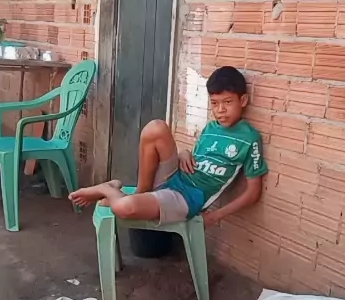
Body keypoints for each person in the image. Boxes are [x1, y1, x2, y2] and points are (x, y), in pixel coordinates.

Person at [69, 66, 268, 228]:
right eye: (215, 103)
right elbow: (197, 159)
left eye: (227, 102)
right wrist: (184, 153)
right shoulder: (211, 128)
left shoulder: (249, 139)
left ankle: (108, 190)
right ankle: (138, 192)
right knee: (156, 127)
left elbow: (253, 193)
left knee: (125, 208)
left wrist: (215, 216)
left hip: (186, 198)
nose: (221, 110)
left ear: (243, 100)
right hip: (175, 176)